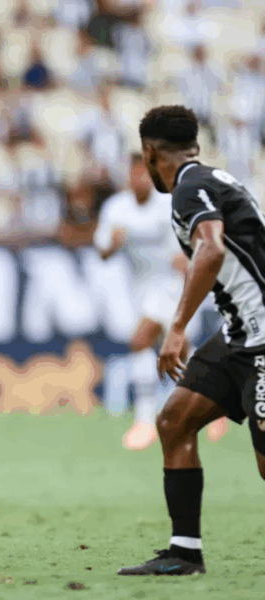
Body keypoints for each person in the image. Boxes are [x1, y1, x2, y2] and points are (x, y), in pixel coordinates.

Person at [119, 105, 265, 575]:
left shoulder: (188, 187)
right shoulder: (210, 179)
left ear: (149, 154)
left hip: (261, 336)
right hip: (239, 333)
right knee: (175, 420)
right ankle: (184, 553)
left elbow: (212, 247)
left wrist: (177, 326)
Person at [94, 153, 227, 449]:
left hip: (172, 285)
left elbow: (191, 246)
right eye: (134, 173)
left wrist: (189, 262)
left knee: (140, 340)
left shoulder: (168, 205)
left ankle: (145, 422)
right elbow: (102, 251)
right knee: (178, 351)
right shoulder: (117, 208)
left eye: (144, 173)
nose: (138, 179)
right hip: (139, 289)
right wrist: (113, 244)